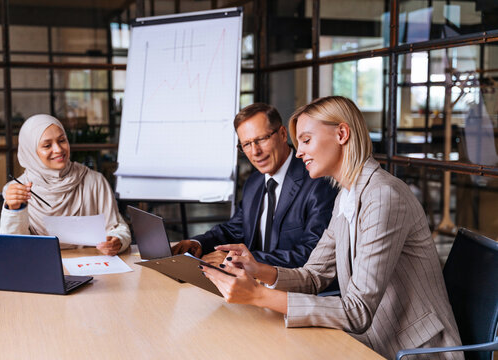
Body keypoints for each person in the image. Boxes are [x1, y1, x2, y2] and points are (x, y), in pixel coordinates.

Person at [202, 96, 462, 360]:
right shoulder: (346, 196)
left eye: (306, 140)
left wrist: (258, 296)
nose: (299, 151)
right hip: (371, 339)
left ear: (341, 133)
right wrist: (258, 270)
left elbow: (357, 311)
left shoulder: (384, 196)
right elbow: (314, 276)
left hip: (413, 351)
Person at [172, 103, 337, 268]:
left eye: (261, 139)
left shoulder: (318, 180)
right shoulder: (254, 182)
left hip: (292, 286)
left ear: (282, 134)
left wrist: (239, 261)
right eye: (247, 144)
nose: (255, 151)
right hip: (253, 282)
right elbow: (234, 230)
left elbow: (313, 253)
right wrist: (197, 243)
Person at [0, 114, 130, 255]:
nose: (58, 149)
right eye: (47, 145)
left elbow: (117, 227)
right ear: (30, 151)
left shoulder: (94, 181)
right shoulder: (16, 191)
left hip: (92, 265)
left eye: (62, 140)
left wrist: (117, 240)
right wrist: (13, 209)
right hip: (41, 265)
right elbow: (14, 247)